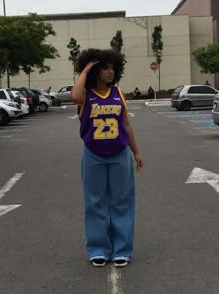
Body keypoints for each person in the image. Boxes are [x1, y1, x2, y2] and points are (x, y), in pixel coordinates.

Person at [71, 48, 143, 268]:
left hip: (119, 154)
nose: (110, 72)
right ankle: (98, 248)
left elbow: (126, 125)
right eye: (104, 68)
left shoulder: (118, 93)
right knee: (95, 203)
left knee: (122, 202)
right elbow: (73, 96)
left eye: (113, 68)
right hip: (93, 155)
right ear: (95, 70)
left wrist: (136, 152)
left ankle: (122, 250)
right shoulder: (85, 94)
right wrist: (85, 70)